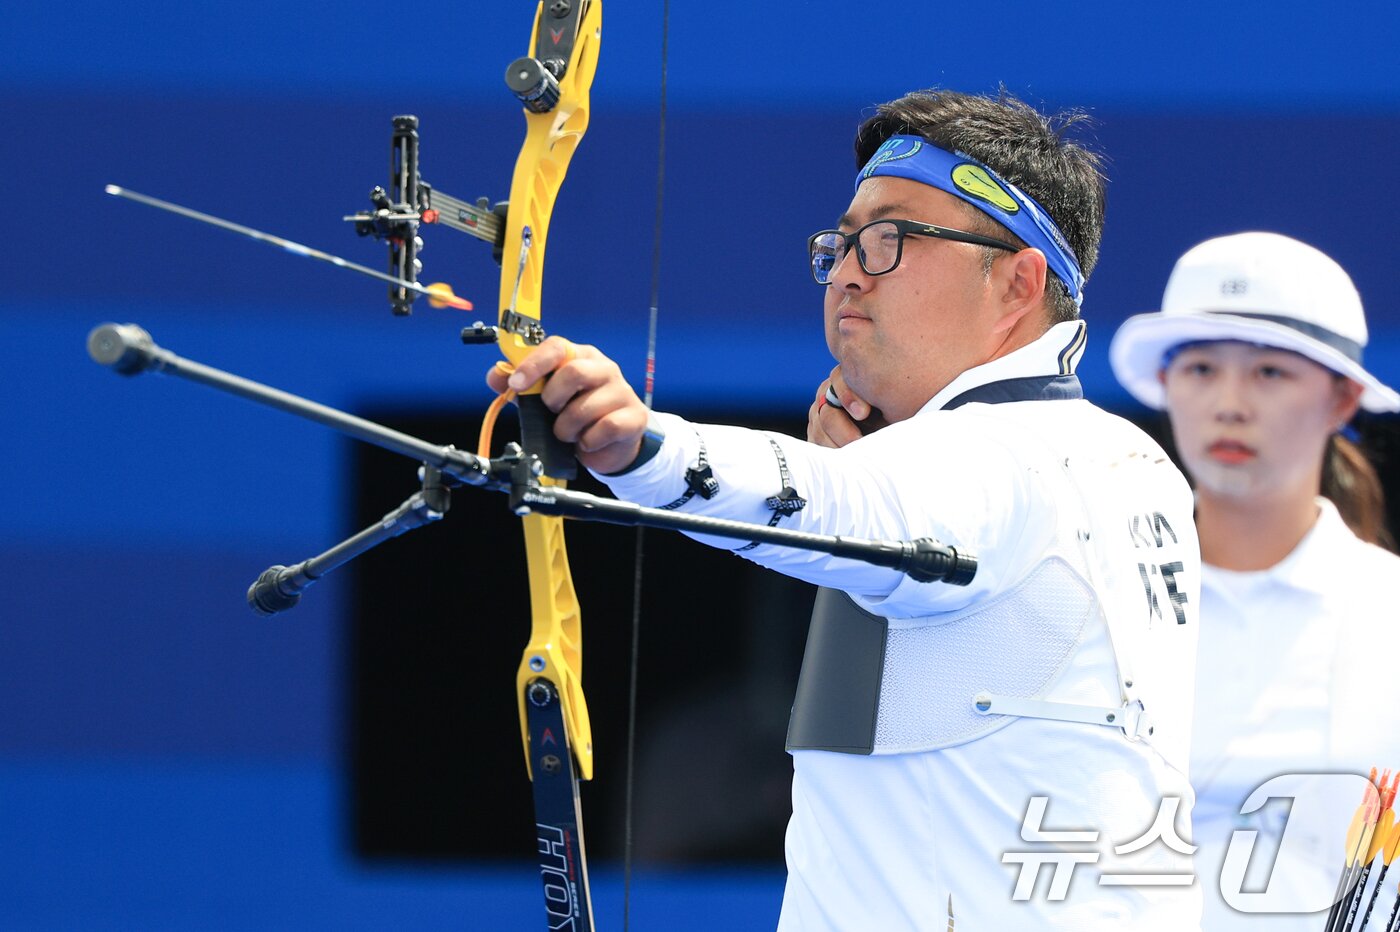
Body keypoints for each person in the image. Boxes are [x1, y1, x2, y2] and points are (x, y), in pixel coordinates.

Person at [493, 88, 1203, 929]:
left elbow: (856, 496)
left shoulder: (1009, 457)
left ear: (1019, 281)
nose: (852, 270)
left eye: (894, 237)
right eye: (845, 242)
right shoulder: (1130, 463)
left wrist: (640, 445)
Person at [1107, 231, 1400, 930]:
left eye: (1269, 372)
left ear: (1342, 400)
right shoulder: (1090, 600)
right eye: (1202, 368)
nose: (1229, 403)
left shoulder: (1387, 609)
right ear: (1168, 385)